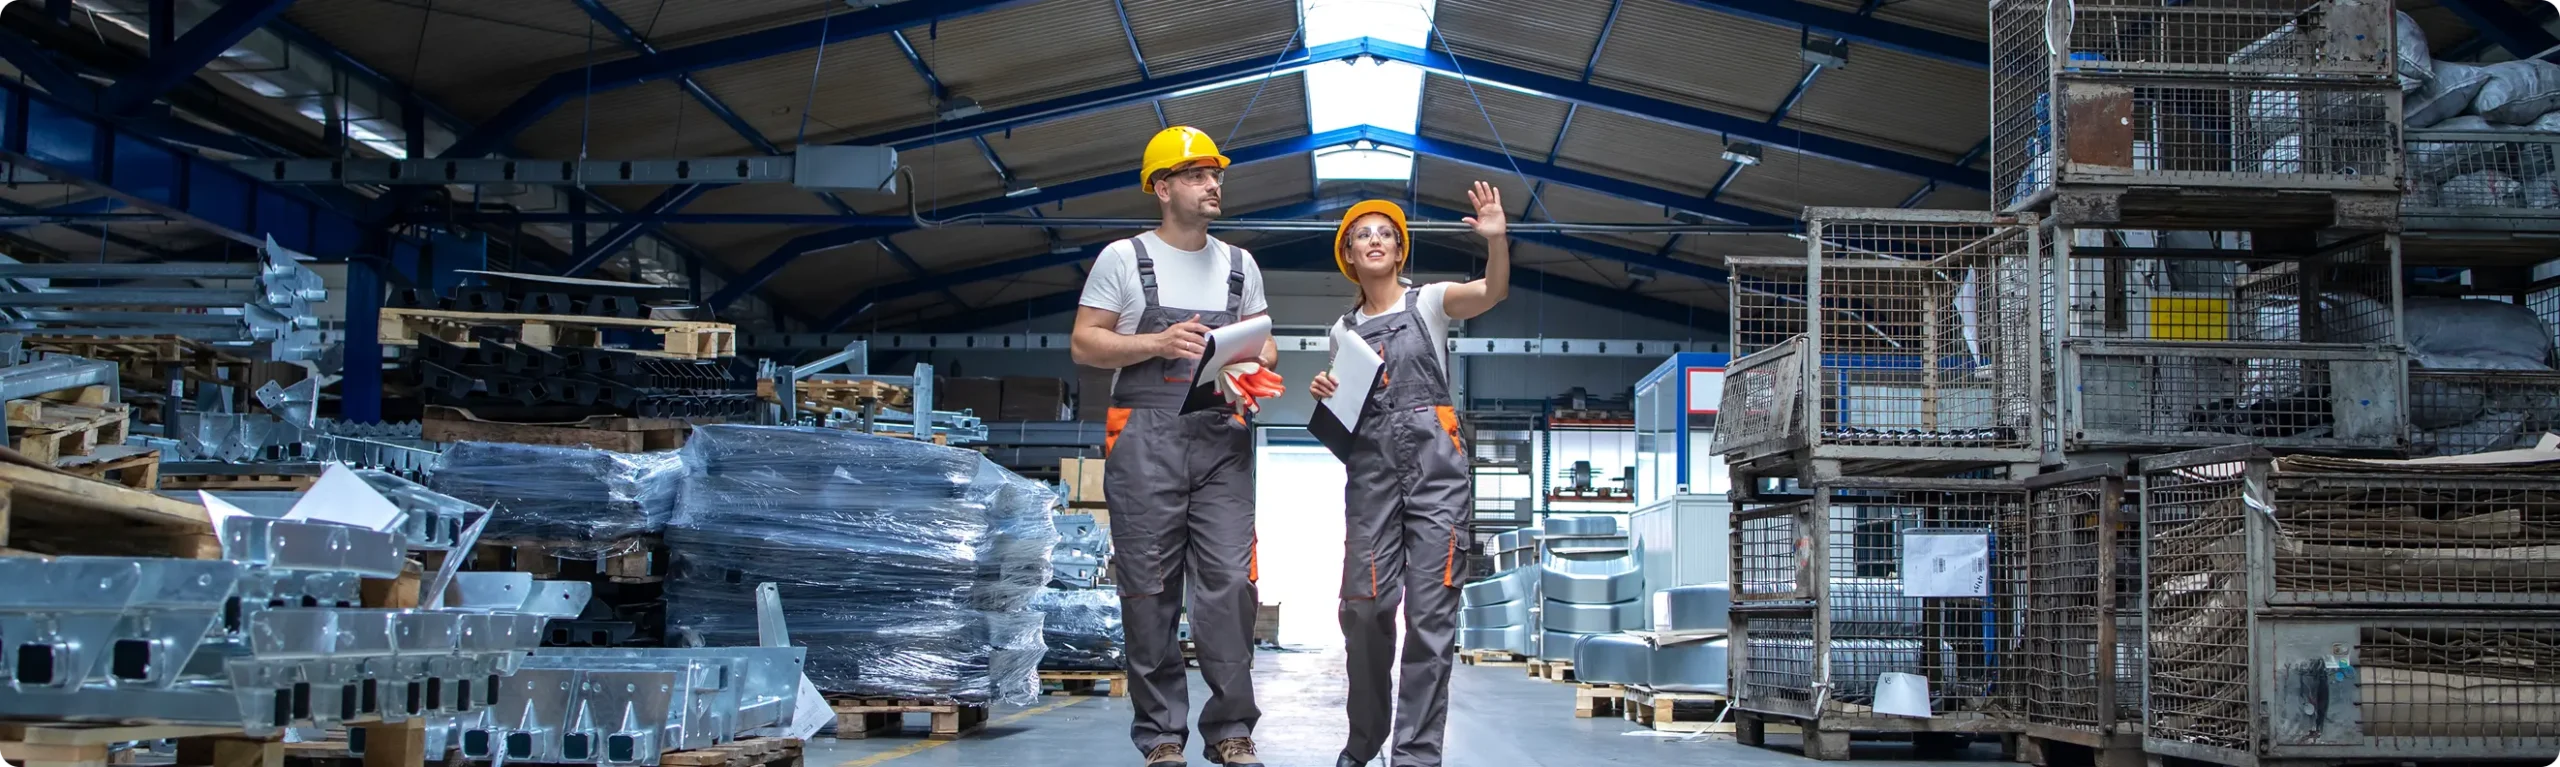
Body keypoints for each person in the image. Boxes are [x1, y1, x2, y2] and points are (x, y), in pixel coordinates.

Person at [1069, 125, 1282, 767]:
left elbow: (1265, 343)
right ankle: (1162, 735)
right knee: (1150, 587)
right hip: (1144, 437)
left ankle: (1230, 731)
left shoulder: (1241, 266)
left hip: (1222, 439)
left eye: (1215, 173)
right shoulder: (1122, 259)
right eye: (1196, 174)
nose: (1213, 184)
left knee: (1228, 586)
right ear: (1163, 188)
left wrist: (1253, 365)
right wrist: (1156, 344)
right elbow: (1085, 343)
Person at [1308, 183, 1511, 767]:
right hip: (1371, 476)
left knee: (1429, 618)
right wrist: (1327, 389)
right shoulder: (1341, 333)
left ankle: (1416, 755)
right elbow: (1345, 417)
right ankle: (1364, 738)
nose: (1374, 241)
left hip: (1435, 475)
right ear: (1349, 253)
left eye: (1385, 234)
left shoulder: (1429, 302)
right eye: (1362, 234)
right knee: (1363, 610)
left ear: (1400, 251)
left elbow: (1491, 292)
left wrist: (1495, 242)